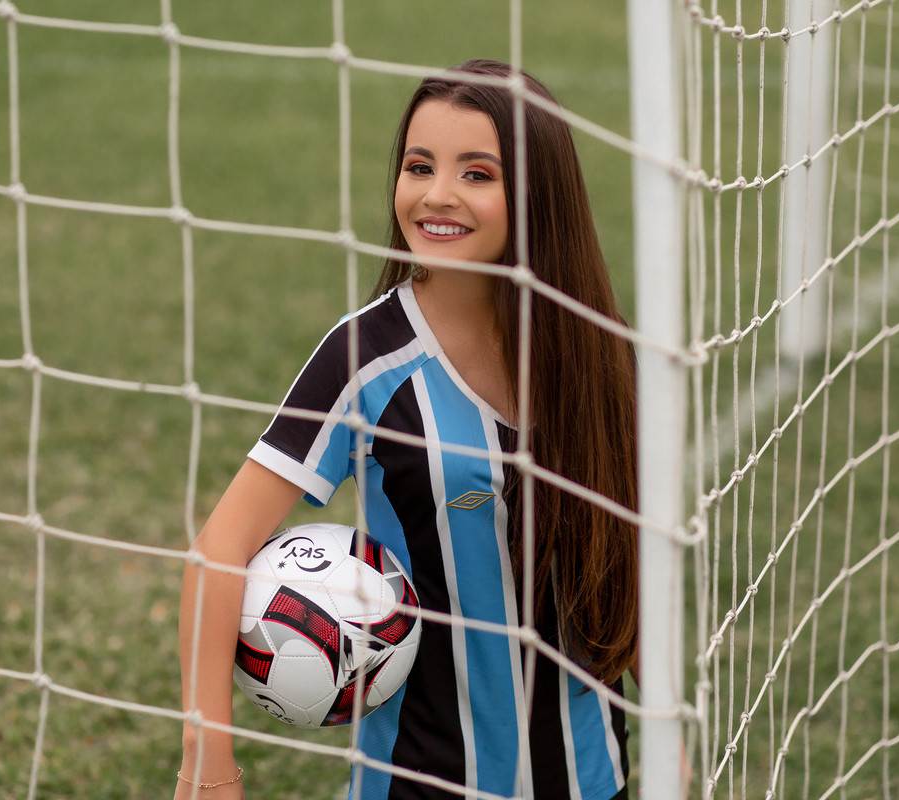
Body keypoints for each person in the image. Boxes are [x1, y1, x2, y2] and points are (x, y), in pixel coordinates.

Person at [175, 59, 639, 800]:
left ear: (537, 194)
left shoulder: (599, 347)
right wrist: (210, 765)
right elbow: (219, 552)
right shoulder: (368, 358)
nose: (436, 195)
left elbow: (625, 558)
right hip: (418, 783)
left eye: (477, 173)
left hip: (592, 776)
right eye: (419, 166)